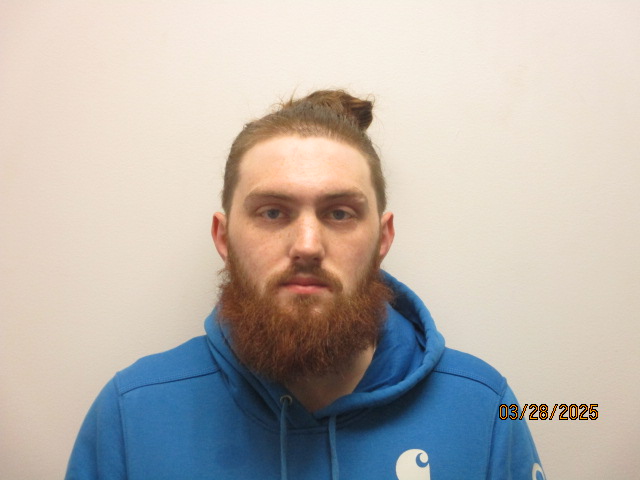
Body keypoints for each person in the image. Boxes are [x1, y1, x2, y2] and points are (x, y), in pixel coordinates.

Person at [66, 90, 544, 479]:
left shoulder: (485, 408)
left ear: (383, 238)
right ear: (223, 238)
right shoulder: (131, 413)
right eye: (273, 212)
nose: (308, 246)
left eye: (340, 213)